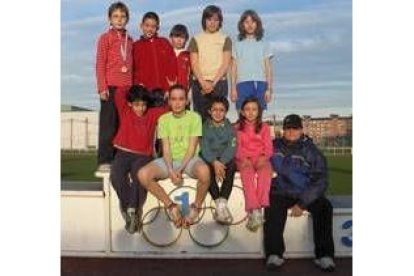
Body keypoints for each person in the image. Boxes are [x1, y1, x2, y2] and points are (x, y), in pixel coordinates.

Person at [264, 114, 335, 272]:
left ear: (301, 130)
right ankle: (274, 254)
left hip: (304, 192)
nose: (291, 132)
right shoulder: (273, 146)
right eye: (287, 128)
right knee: (272, 206)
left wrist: (302, 204)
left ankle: (324, 255)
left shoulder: (311, 150)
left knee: (324, 207)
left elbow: (320, 180)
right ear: (283, 130)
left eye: (294, 128)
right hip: (281, 191)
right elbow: (259, 157)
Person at [138, 84, 210, 228]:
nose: (177, 103)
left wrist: (180, 168)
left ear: (187, 101)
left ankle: (195, 207)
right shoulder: (164, 119)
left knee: (205, 172)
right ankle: (171, 206)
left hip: (189, 160)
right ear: (169, 101)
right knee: (142, 174)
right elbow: (166, 148)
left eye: (181, 99)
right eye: (174, 99)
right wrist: (171, 170)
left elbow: (192, 147)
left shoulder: (195, 117)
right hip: (169, 160)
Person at [111, 85, 168, 234]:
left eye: (143, 104)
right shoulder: (125, 111)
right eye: (137, 105)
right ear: (130, 104)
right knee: (116, 177)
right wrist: (138, 84)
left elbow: (170, 109)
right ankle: (128, 207)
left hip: (143, 155)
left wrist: (168, 95)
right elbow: (119, 92)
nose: (141, 108)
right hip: (122, 153)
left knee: (139, 178)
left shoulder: (152, 114)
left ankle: (132, 211)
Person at [95, 1, 133, 172]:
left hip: (127, 89)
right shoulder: (105, 38)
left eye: (122, 16)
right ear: (110, 19)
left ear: (127, 19)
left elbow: (132, 65)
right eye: (115, 16)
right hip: (110, 87)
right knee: (108, 125)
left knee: (123, 126)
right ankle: (105, 159)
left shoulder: (130, 40)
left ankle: (119, 159)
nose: (119, 19)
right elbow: (100, 63)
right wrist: (102, 87)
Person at [235, 97, 273, 232]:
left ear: (259, 111)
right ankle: (254, 210)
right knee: (247, 174)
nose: (250, 112)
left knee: (265, 173)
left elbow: (268, 146)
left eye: (254, 109)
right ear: (242, 112)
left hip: (261, 158)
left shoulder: (264, 127)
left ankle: (261, 205)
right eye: (247, 109)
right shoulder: (238, 127)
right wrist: (242, 158)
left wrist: (264, 157)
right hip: (244, 159)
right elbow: (237, 147)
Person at [189, 5, 232, 120]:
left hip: (219, 84)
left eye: (216, 20)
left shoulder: (225, 39)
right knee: (200, 118)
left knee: (218, 118)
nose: (212, 23)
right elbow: (194, 64)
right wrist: (203, 83)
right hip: (199, 83)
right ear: (204, 20)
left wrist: (213, 84)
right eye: (209, 19)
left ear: (220, 21)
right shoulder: (195, 39)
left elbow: (225, 64)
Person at [200, 96, 236, 224]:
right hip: (210, 159)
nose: (218, 113)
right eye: (214, 109)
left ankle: (222, 204)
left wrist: (222, 163)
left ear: (226, 112)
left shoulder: (230, 127)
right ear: (209, 111)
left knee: (232, 166)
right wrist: (214, 162)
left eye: (221, 110)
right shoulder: (205, 127)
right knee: (205, 170)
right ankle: (217, 201)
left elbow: (232, 147)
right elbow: (204, 147)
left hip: (224, 159)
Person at [231, 9, 274, 112]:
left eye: (253, 22)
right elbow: (234, 68)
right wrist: (233, 88)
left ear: (257, 24)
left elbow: (268, 68)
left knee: (258, 116)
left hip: (260, 84)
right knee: (242, 114)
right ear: (242, 25)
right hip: (242, 84)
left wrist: (269, 89)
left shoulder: (264, 44)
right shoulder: (237, 45)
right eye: (246, 22)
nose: (250, 25)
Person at [133, 12, 177, 95]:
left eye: (153, 26)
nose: (150, 29)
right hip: (144, 92)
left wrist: (170, 87)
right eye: (147, 25)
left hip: (164, 91)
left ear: (158, 28)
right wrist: (138, 85)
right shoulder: (135, 46)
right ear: (141, 26)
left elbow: (172, 63)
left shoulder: (164, 43)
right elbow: (134, 69)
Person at [169, 24, 191, 102]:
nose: (179, 40)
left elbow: (191, 76)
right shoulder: (166, 54)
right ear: (171, 37)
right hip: (169, 94)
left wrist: (189, 94)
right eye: (176, 37)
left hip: (184, 94)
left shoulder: (189, 56)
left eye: (182, 37)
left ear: (186, 39)